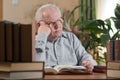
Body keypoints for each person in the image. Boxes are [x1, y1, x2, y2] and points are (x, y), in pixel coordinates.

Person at [34, 3, 97, 72]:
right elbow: (36, 66)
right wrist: (41, 37)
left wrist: (88, 62)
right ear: (39, 25)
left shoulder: (71, 38)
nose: (58, 26)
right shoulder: (33, 42)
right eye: (52, 23)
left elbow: (83, 56)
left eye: (59, 21)